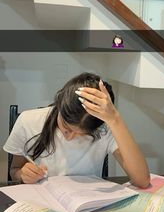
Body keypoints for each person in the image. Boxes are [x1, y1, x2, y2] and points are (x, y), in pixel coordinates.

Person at [3, 72, 150, 188]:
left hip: (87, 207)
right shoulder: (28, 121)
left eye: (83, 134)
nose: (70, 137)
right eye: (66, 127)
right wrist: (22, 174)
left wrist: (115, 119)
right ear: (59, 105)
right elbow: (14, 170)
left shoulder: (106, 128)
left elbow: (142, 181)